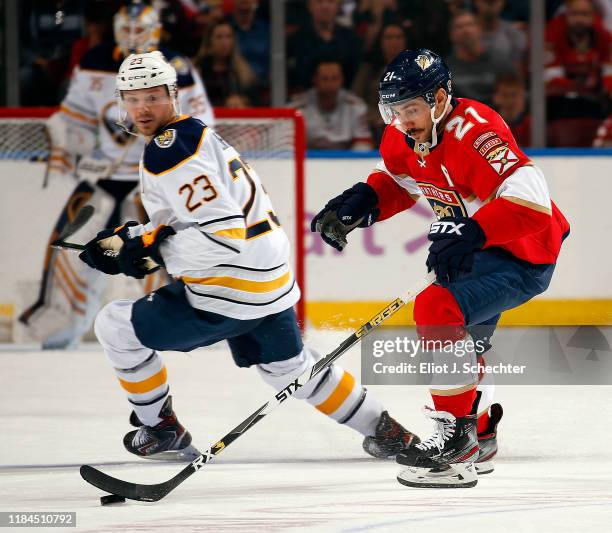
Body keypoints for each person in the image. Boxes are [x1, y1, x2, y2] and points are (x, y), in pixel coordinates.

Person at [77, 50, 420, 462]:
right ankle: (385, 429)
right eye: (132, 98)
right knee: (289, 370)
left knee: (114, 326)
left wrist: (148, 249)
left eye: (151, 96)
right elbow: (187, 221)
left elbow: (222, 234)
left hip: (230, 286)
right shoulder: (197, 136)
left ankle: (161, 428)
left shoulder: (168, 150)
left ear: (172, 95)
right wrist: (134, 240)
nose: (142, 108)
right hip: (271, 279)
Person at [311, 48, 569, 488]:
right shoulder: (403, 134)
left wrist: (471, 234)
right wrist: (364, 202)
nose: (402, 120)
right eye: (393, 110)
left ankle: (456, 446)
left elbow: (532, 202)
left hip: (523, 253)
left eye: (410, 108)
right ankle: (479, 431)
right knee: (463, 342)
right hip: (483, 246)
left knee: (435, 310)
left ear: (439, 98)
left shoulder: (476, 131)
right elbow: (397, 179)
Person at [18, 0, 214, 349]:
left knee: (166, 257)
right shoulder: (94, 61)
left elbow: (200, 126)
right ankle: (59, 328)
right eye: (126, 29)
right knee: (71, 250)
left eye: (140, 30)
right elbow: (74, 117)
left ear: (156, 30)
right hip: (102, 180)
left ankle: (196, 327)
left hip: (155, 185)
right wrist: (66, 144)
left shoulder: (177, 68)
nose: (133, 37)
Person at [290, 57, 374, 150]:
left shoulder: (356, 106)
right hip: (309, 160)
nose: (330, 84)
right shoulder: (297, 108)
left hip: (346, 160)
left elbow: (363, 144)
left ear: (342, 79)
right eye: (325, 79)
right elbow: (288, 145)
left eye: (335, 78)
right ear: (315, 79)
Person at [287, 0, 363, 94]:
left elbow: (356, 74)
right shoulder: (295, 40)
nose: (325, 6)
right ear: (309, 6)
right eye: (319, 1)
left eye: (330, 2)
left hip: (344, 99)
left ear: (338, 6)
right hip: (304, 99)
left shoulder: (351, 39)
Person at [445, 10, 515, 107]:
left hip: (495, 117)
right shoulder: (445, 69)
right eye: (459, 27)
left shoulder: (500, 63)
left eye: (470, 25)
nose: (465, 30)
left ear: (480, 29)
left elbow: (514, 95)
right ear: (452, 35)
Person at [193, 20, 258, 106]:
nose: (224, 42)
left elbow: (256, 102)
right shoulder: (197, 71)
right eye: (219, 37)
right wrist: (224, 103)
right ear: (209, 41)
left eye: (229, 36)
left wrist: (244, 101)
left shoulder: (244, 73)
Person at [492, 73, 531, 147]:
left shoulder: (532, 125)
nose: (510, 101)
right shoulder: (490, 125)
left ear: (522, 97)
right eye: (505, 95)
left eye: (514, 95)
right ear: (496, 97)